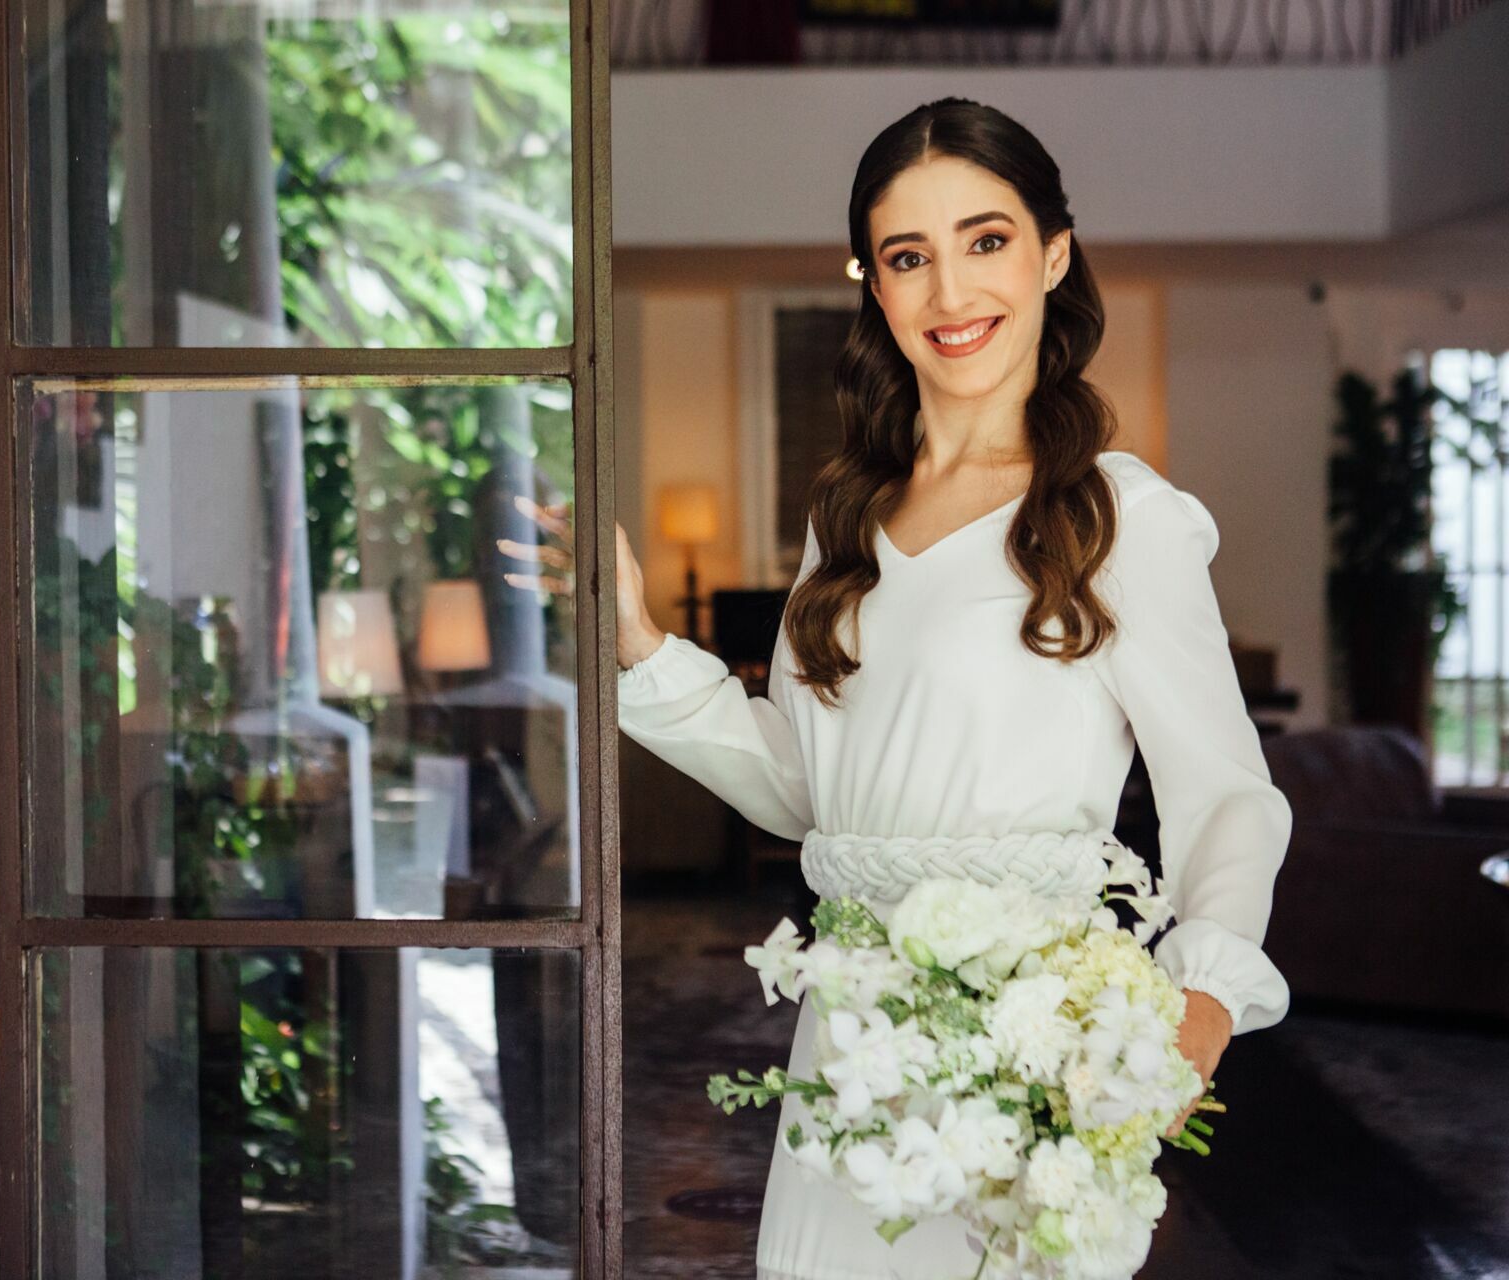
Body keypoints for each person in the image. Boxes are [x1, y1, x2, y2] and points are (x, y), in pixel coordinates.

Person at [499, 96, 1292, 1280]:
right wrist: (638, 637)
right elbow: (804, 788)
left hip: (1030, 1045)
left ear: (1054, 255)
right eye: (909, 257)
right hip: (850, 1045)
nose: (951, 293)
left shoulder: (1115, 515)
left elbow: (1228, 794)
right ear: (870, 279)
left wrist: (1204, 1004)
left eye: (987, 241)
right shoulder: (849, 518)